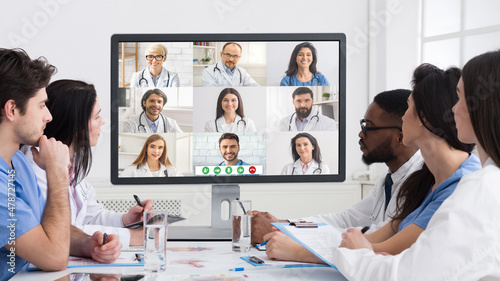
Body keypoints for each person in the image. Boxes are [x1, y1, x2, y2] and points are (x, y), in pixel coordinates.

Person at [266, 63, 482, 263]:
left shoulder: (464, 184)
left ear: (424, 118)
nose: (361, 134)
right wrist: (288, 228)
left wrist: (297, 249)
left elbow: (381, 251)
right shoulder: (427, 180)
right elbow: (374, 237)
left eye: (408, 108)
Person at [333, 50, 500, 280]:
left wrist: (356, 253)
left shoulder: (479, 187)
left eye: (460, 98)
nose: (454, 108)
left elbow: (408, 273)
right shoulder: (426, 181)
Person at [0, 48, 120, 279]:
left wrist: (87, 244)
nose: (49, 116)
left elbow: (46, 232)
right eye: (42, 105)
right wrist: (56, 171)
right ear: (12, 110)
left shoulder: (18, 163)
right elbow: (54, 256)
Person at [252, 89, 423, 245]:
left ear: (400, 137)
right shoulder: (389, 180)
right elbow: (346, 219)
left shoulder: (420, 183)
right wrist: (285, 225)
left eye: (368, 127)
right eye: (362, 125)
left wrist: (284, 233)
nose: (361, 134)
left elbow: (378, 237)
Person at [22, 79, 153, 249]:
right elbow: (64, 231)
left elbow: (90, 215)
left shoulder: (71, 163)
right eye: (96, 116)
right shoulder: (35, 166)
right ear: (75, 124)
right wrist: (132, 237)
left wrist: (125, 220)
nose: (102, 122)